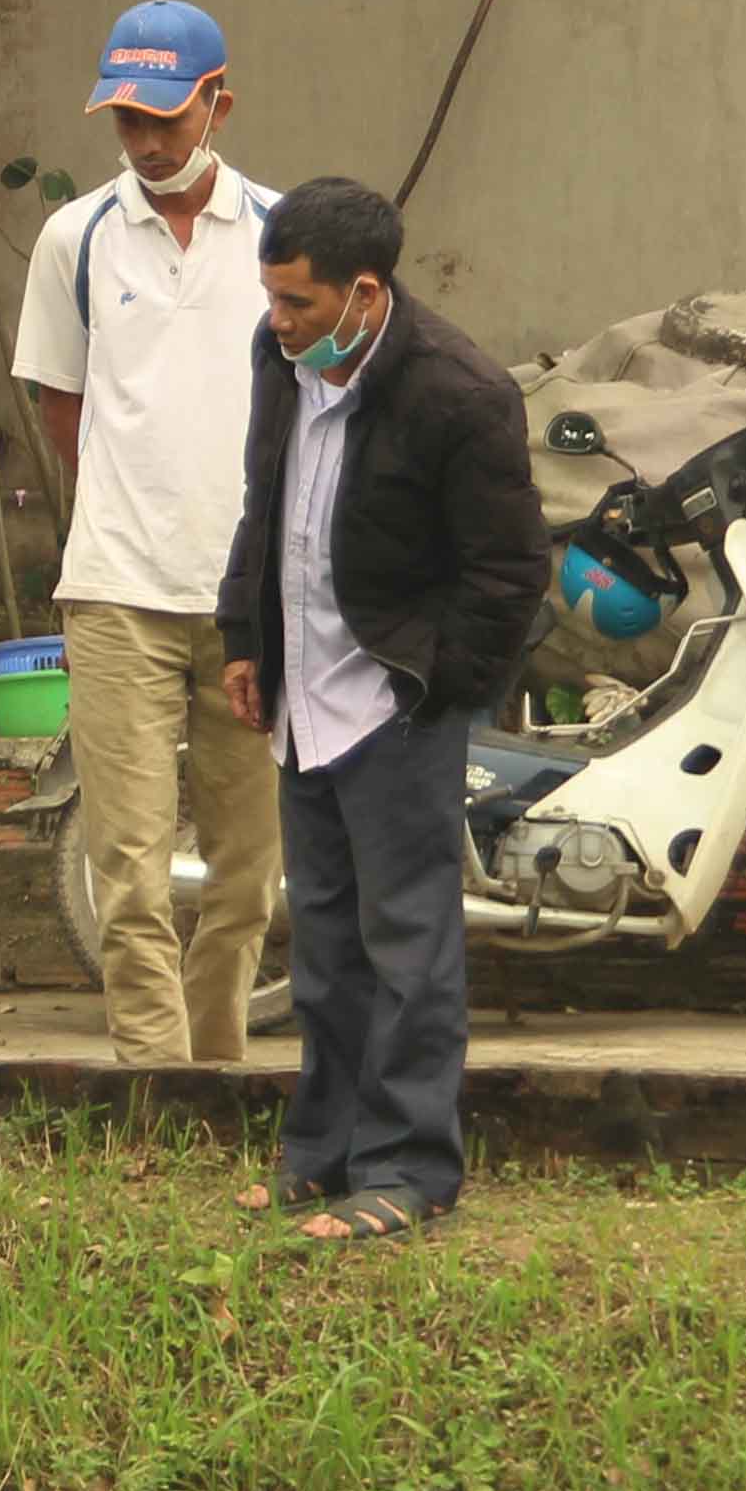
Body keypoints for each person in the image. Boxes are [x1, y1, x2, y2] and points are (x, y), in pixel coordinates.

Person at [213, 176, 549, 1247]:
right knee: (323, 941)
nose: (279, 321)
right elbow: (267, 506)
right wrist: (245, 638)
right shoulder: (283, 362)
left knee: (408, 943)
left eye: (299, 304)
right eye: (272, 299)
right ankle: (324, 1151)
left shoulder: (460, 392)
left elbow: (509, 573)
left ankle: (411, 1167)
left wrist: (437, 689)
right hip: (303, 695)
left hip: (392, 703)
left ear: (364, 294)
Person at [13, 0, 283, 1066]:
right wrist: (132, 507)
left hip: (249, 599)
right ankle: (153, 1082)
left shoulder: (280, 232)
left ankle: (215, 1072)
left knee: (247, 869)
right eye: (128, 121)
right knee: (125, 867)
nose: (150, 142)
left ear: (221, 103)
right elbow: (63, 407)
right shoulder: (72, 236)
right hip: (118, 589)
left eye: (168, 118)